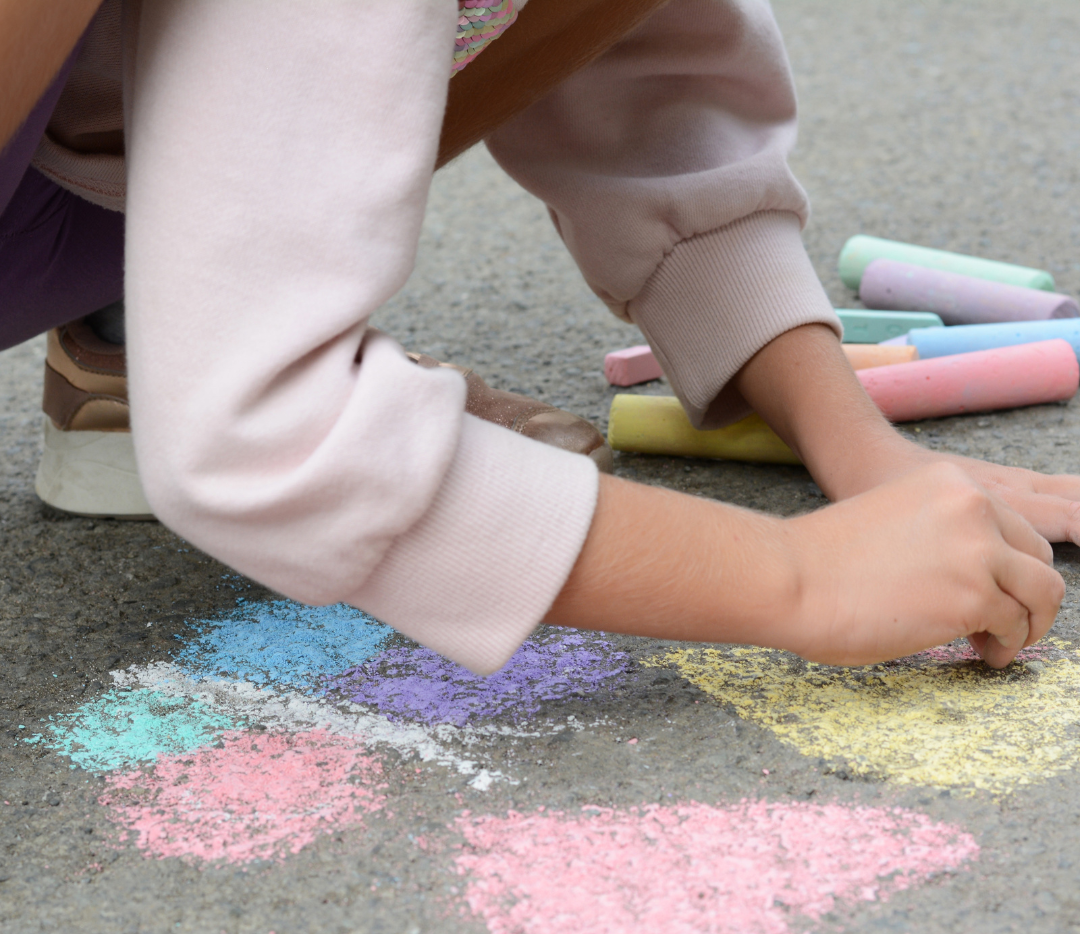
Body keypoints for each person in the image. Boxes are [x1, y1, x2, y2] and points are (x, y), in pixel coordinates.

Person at [1, 0, 1074, 680]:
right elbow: (268, 448)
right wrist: (800, 576)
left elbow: (649, 78)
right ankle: (210, 323)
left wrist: (857, 445)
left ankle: (174, 311)